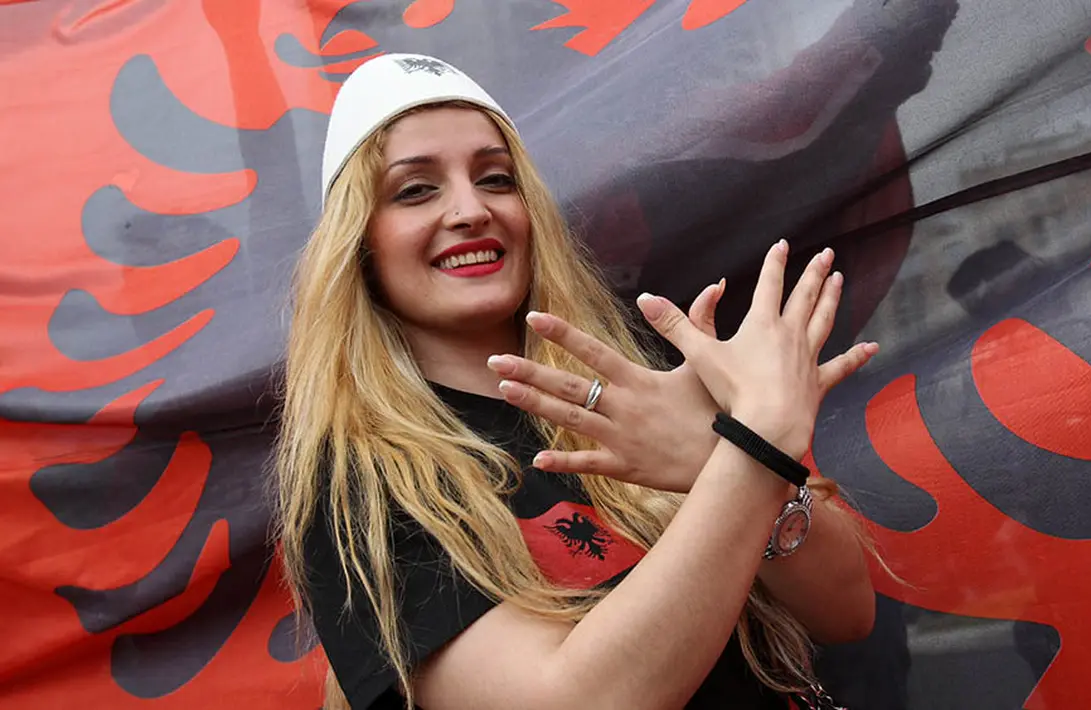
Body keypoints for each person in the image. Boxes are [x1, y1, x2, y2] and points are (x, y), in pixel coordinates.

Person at [275, 53, 880, 710]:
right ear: (359, 244)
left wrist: (720, 459)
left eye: (496, 179)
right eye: (416, 189)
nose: (471, 209)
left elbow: (847, 612)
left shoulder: (629, 398)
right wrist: (750, 451)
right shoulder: (360, 484)